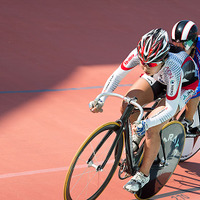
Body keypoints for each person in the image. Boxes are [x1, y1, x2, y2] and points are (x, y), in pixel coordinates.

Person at [89, 28, 199, 193]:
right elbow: (117, 75)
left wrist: (148, 123)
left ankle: (143, 174)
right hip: (158, 76)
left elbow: (169, 108)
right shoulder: (144, 57)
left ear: (162, 58)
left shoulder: (173, 67)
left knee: (153, 128)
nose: (145, 66)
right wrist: (101, 98)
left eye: (151, 63)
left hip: (183, 85)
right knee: (127, 105)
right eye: (142, 62)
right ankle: (136, 134)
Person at [171, 20, 200, 132]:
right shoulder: (177, 51)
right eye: (176, 44)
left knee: (196, 87)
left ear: (193, 42)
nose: (180, 49)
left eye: (184, 45)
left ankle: (188, 121)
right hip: (192, 67)